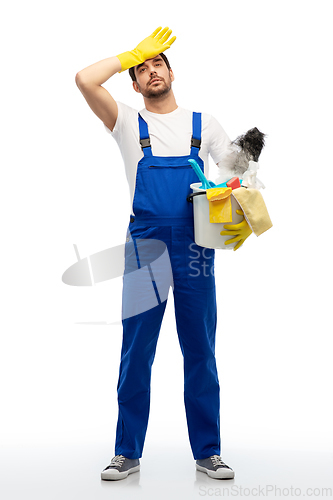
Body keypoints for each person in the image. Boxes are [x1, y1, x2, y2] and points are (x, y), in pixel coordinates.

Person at [75, 26, 242, 481]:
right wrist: (129, 52)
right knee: (137, 350)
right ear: (133, 84)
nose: (151, 71)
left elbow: (238, 174)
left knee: (200, 350)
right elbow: (86, 80)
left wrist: (232, 185)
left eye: (157, 64)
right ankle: (126, 452)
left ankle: (209, 451)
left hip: (195, 247)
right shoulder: (127, 122)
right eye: (142, 68)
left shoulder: (203, 124)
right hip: (145, 245)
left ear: (171, 72)